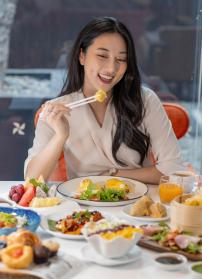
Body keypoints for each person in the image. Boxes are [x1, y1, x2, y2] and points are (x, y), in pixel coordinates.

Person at [24, 16, 185, 184]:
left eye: (121, 59)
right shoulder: (58, 110)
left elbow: (173, 169)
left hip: (137, 204)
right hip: (82, 206)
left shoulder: (145, 100)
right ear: (82, 56)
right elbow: (31, 180)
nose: (111, 68)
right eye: (102, 55)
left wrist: (115, 175)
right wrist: (60, 136)